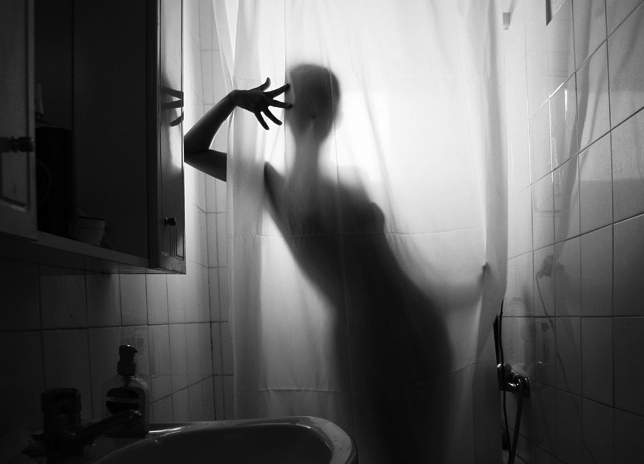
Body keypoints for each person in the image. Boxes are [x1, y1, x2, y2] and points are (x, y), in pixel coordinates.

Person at [185, 65, 452, 463]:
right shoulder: (271, 181)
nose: (319, 112)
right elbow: (190, 150)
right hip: (366, 337)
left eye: (326, 102)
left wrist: (463, 294)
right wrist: (233, 100)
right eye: (308, 102)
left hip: (418, 324)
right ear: (289, 110)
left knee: (423, 453)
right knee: (384, 452)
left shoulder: (350, 183)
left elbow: (393, 270)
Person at [183, 77, 291, 180]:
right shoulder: (274, 177)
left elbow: (190, 152)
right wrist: (232, 98)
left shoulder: (274, 178)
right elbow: (189, 152)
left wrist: (232, 99)